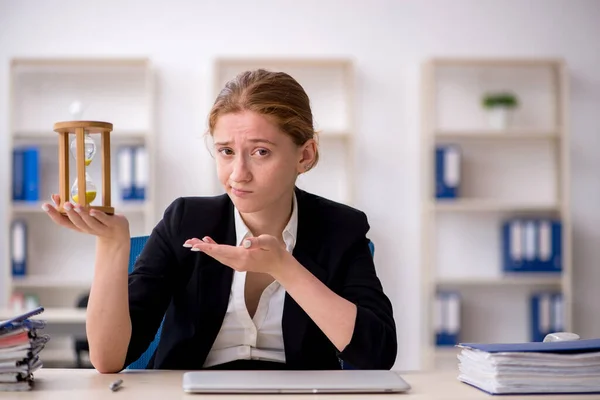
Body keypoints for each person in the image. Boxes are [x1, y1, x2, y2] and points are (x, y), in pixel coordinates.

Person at [42, 69, 397, 373]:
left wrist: (284, 267)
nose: (238, 174)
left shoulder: (340, 227)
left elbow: (376, 355)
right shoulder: (186, 219)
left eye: (261, 152)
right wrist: (112, 243)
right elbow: (109, 359)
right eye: (226, 151)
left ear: (304, 155)